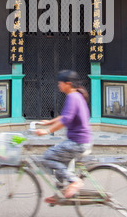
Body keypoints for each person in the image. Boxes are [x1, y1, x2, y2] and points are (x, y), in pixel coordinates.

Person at [35, 70, 92, 201]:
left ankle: (74, 181)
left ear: (68, 83)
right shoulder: (76, 95)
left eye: (60, 83)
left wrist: (47, 131)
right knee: (60, 162)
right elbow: (65, 116)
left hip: (78, 142)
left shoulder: (72, 97)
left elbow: (66, 120)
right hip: (81, 140)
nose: (59, 85)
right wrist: (50, 122)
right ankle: (60, 194)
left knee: (48, 157)